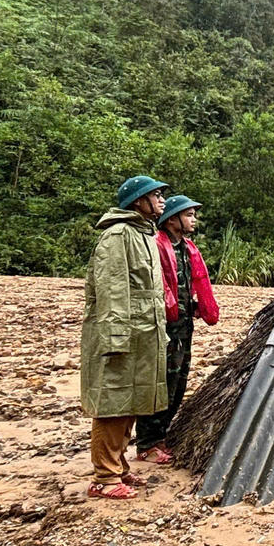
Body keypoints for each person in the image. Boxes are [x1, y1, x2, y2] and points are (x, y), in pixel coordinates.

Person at [81, 175, 170, 499]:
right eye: (156, 195)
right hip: (122, 333)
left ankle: (118, 467)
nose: (162, 200)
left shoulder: (142, 233)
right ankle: (104, 478)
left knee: (130, 400)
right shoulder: (118, 235)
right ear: (138, 201)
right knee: (113, 402)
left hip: (143, 332)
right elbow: (113, 287)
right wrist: (116, 336)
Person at [135, 194, 220, 464]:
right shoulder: (156, 246)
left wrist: (196, 308)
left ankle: (160, 437)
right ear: (172, 219)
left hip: (183, 325)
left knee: (178, 381)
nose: (194, 220)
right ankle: (147, 443)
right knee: (162, 382)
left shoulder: (186, 248)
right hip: (163, 327)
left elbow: (187, 286)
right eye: (189, 215)